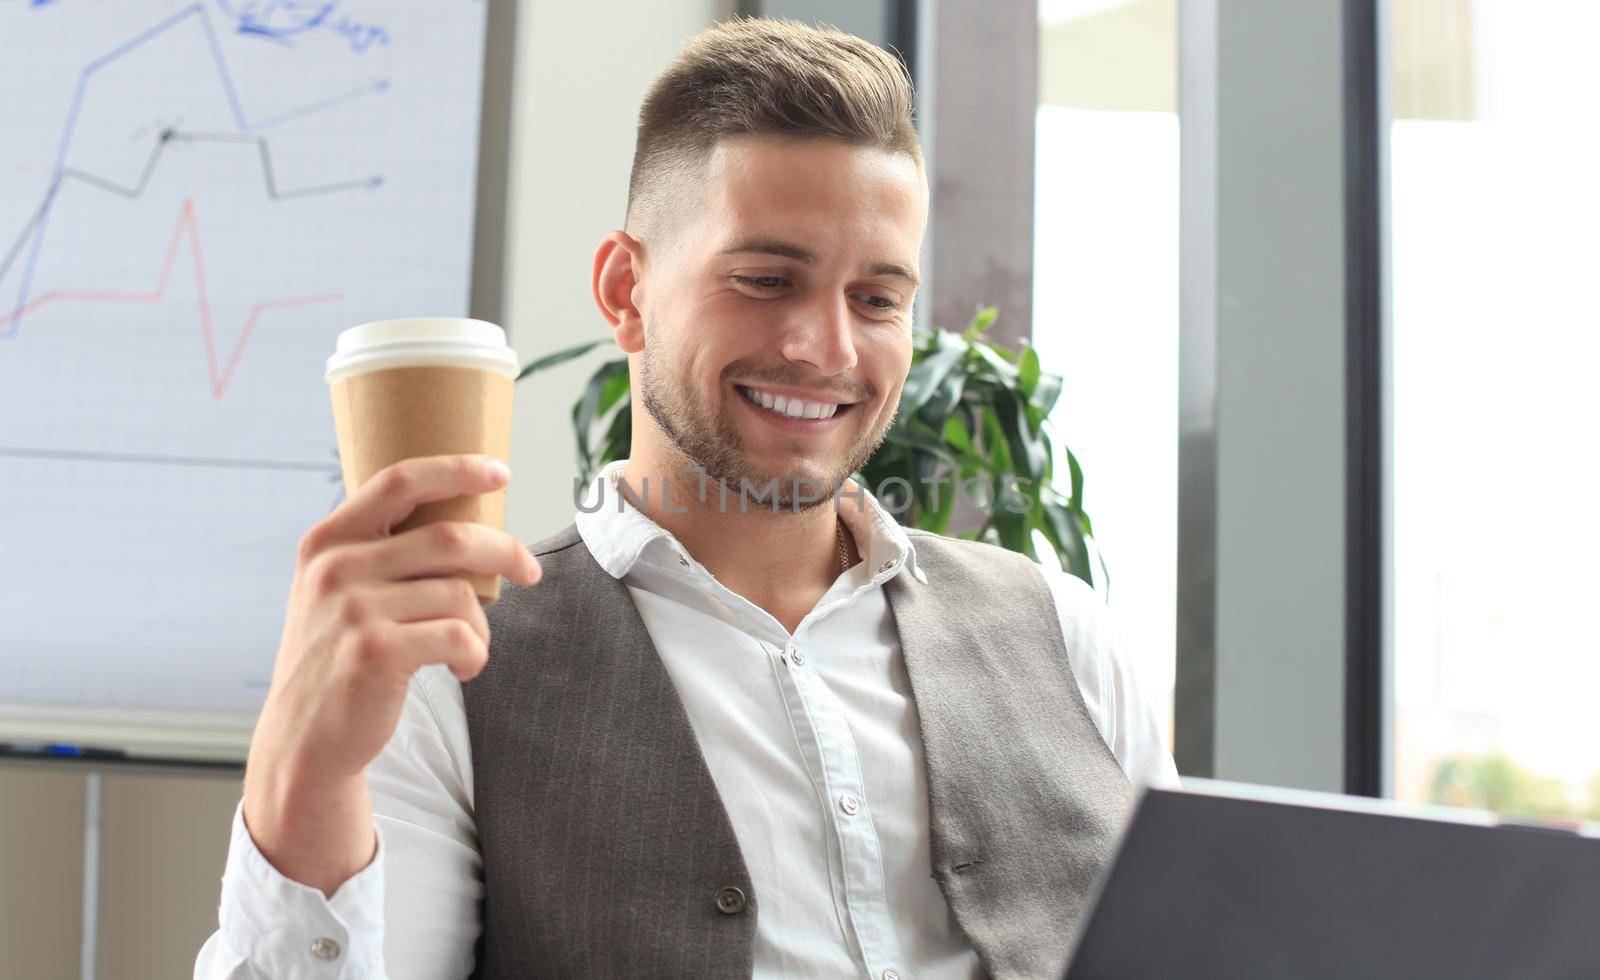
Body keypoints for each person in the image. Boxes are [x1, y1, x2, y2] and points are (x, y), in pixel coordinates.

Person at [195, 15, 1177, 980]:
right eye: (764, 278)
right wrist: (304, 768)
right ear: (626, 289)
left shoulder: (1065, 635)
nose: (826, 348)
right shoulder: (452, 669)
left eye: (876, 299)